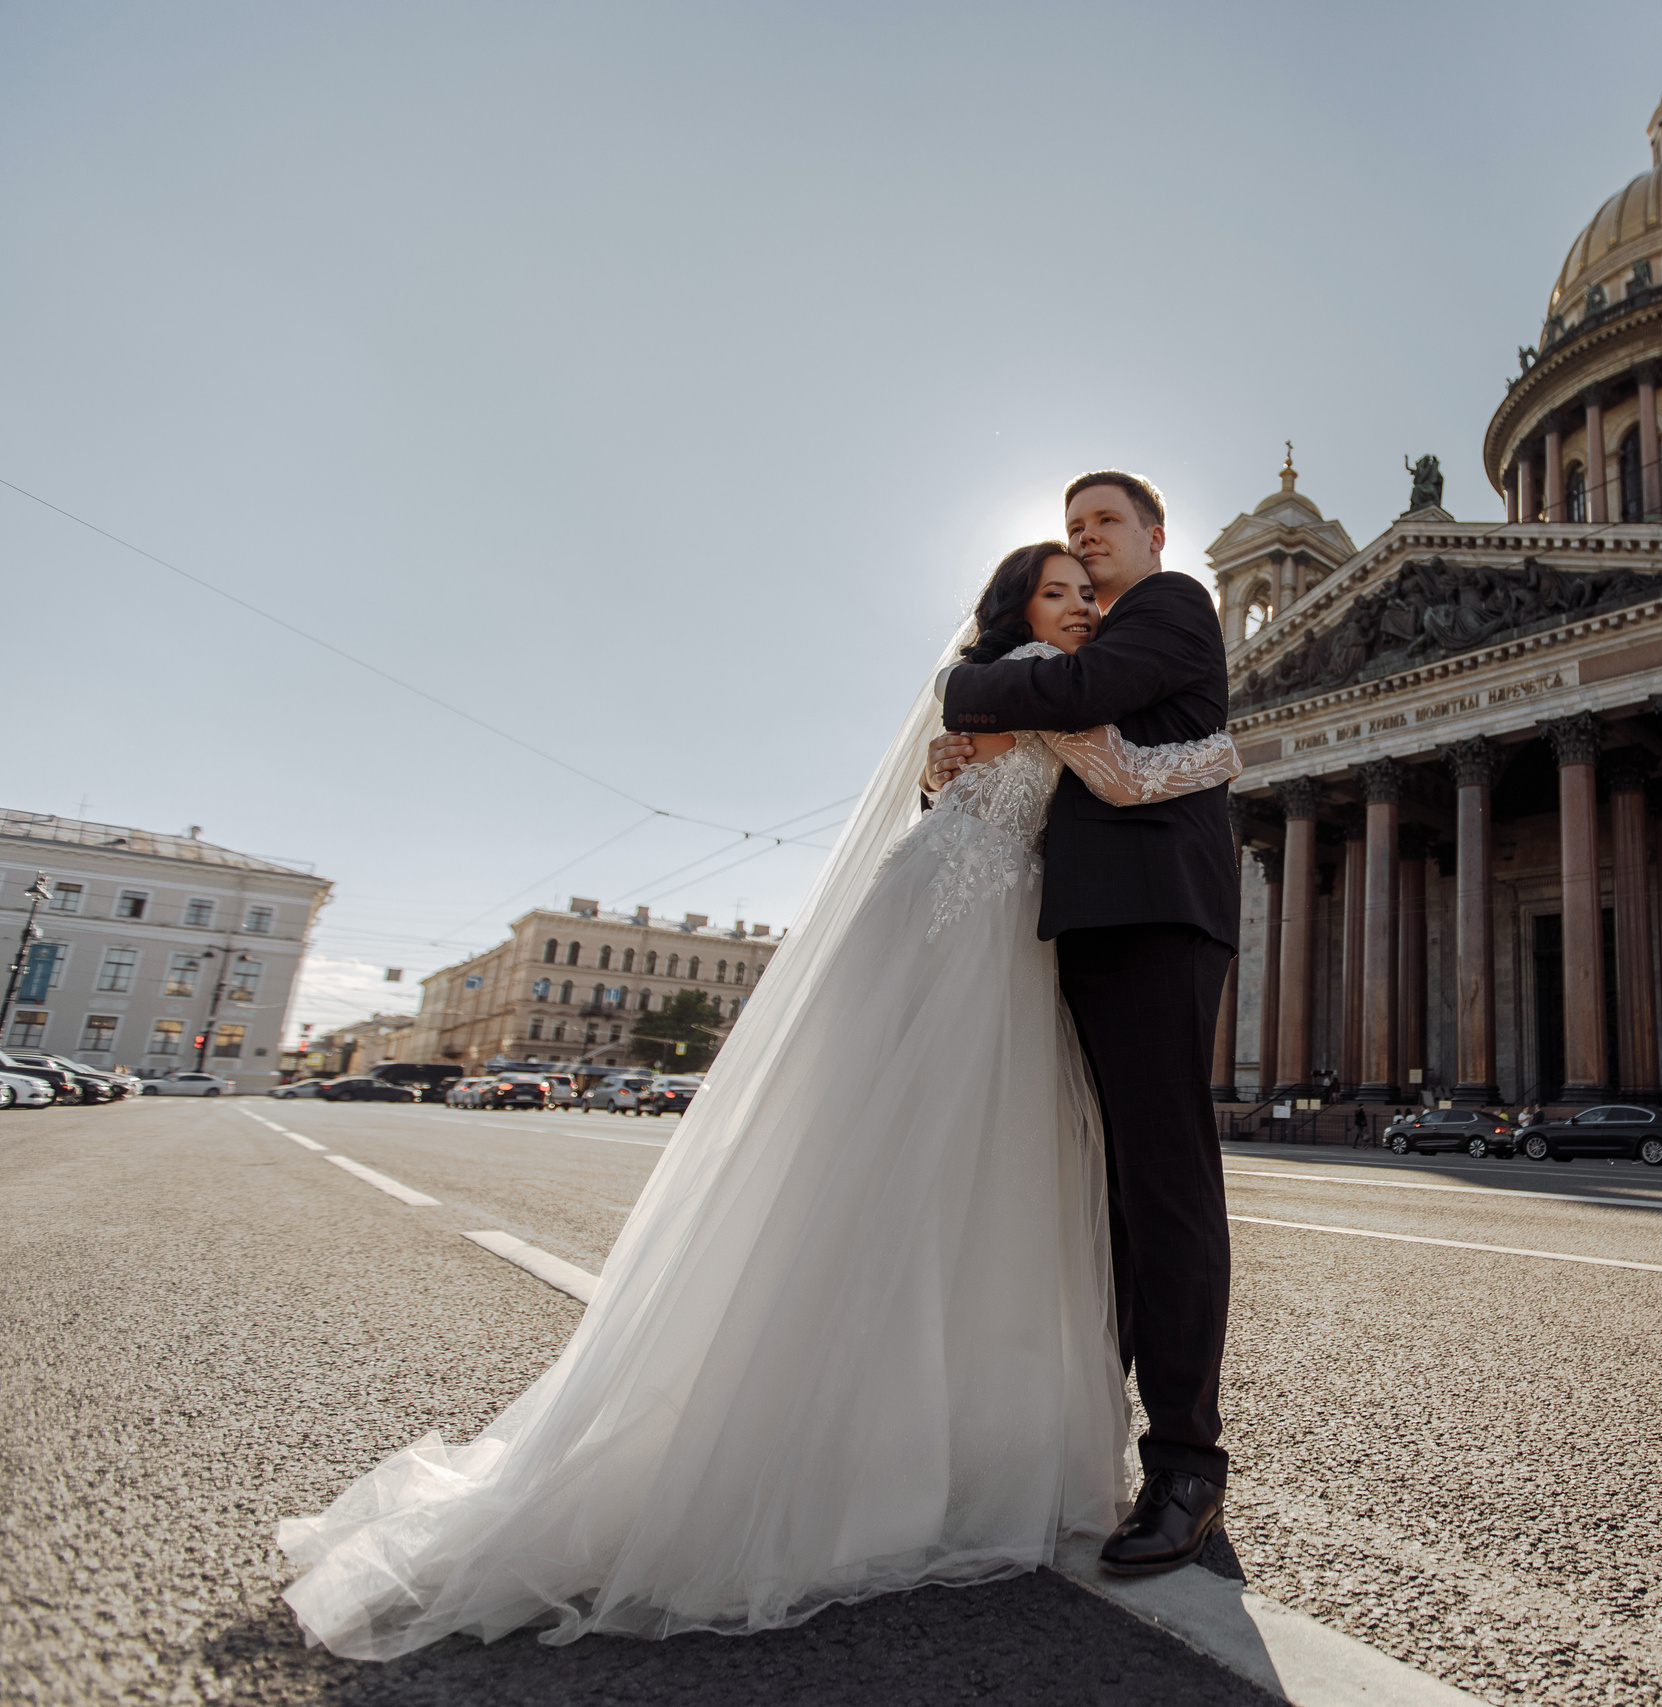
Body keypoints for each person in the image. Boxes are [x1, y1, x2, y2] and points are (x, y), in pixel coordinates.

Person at [276, 539, 1243, 1658]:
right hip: (972, 942)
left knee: (916, 1184)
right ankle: (932, 1454)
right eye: (1061, 591)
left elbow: (1007, 763)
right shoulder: (1037, 683)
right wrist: (1226, 748)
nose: (1081, 608)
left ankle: (870, 1440)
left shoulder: (1022, 683)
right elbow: (1119, 772)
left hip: (985, 936)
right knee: (957, 1187)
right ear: (1019, 607)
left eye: (1089, 592)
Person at [928, 472, 1238, 1577]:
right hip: (1081, 925)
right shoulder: (1069, 647)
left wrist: (968, 682)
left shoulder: (1174, 603)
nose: (1087, 541)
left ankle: (1189, 1465)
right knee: (1096, 1195)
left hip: (1154, 916)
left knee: (1161, 1186)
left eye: (1103, 524)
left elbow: (1082, 695)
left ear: (1153, 536)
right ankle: (1075, 1442)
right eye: (1070, 533)